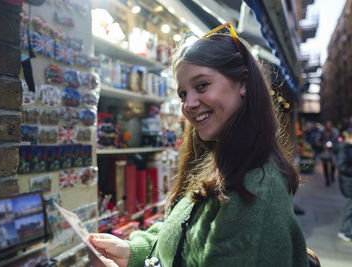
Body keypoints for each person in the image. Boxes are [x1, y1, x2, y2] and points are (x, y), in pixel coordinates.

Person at [88, 23, 308, 267]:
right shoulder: (220, 159)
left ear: (243, 82)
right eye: (182, 94)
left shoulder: (256, 186)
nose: (189, 104)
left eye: (202, 85)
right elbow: (183, 233)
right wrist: (133, 251)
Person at [337, 125, 352, 241]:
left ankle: (345, 230)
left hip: (348, 181)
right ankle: (343, 230)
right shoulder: (344, 148)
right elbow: (342, 166)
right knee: (349, 207)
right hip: (348, 182)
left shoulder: (348, 147)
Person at [315, 120, 339, 186]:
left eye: (329, 126)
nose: (328, 127)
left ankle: (332, 175)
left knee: (333, 164)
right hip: (324, 151)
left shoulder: (335, 133)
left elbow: (337, 141)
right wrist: (322, 146)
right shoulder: (322, 133)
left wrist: (334, 146)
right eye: (327, 125)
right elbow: (317, 141)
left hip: (332, 151)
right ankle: (327, 180)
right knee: (325, 166)